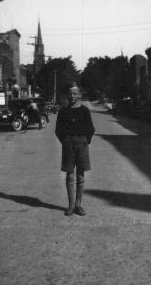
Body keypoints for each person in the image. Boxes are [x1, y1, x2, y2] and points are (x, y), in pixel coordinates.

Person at [55, 83, 95, 216]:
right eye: (70, 93)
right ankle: (71, 205)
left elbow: (91, 129)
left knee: (80, 175)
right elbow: (58, 130)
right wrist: (65, 141)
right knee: (70, 175)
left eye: (74, 93)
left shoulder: (84, 110)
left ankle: (79, 204)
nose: (72, 96)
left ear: (79, 95)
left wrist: (85, 141)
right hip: (68, 144)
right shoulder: (63, 110)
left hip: (82, 143)